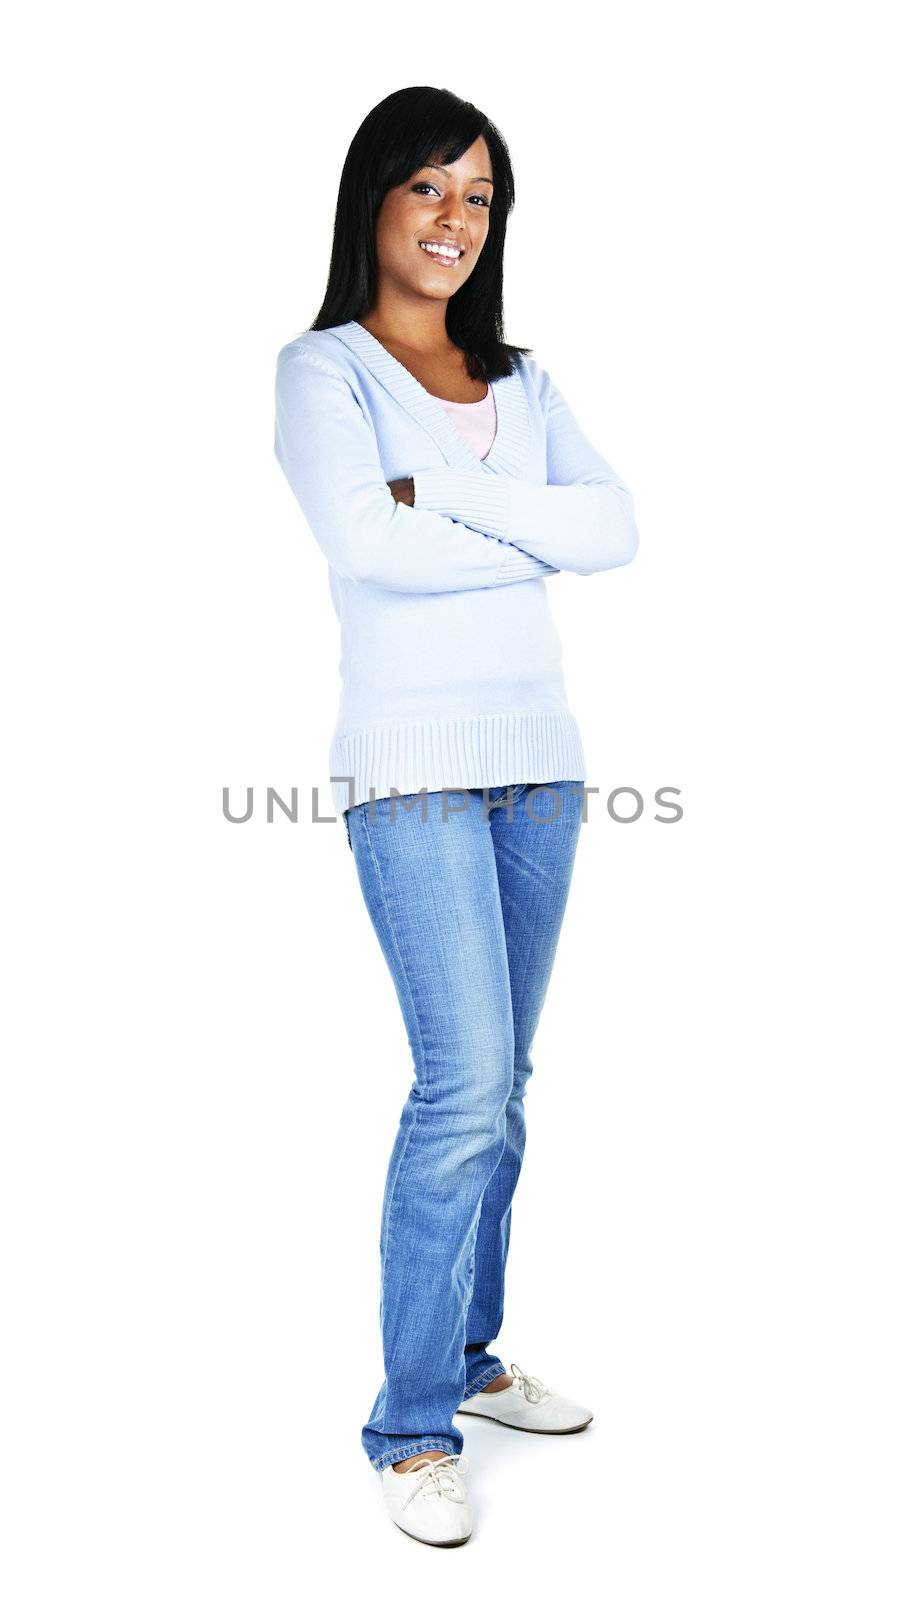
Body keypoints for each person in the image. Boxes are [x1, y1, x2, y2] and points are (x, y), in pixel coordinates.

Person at [274, 85, 639, 1546]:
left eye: (476, 196)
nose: (451, 219)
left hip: (539, 765)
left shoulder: (525, 380)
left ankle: (472, 1359)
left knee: (508, 1086)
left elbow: (613, 528)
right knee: (458, 1088)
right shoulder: (323, 373)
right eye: (426, 187)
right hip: (411, 770)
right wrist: (513, 519)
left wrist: (452, 497)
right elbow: (366, 542)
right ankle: (410, 1423)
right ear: (373, 199)